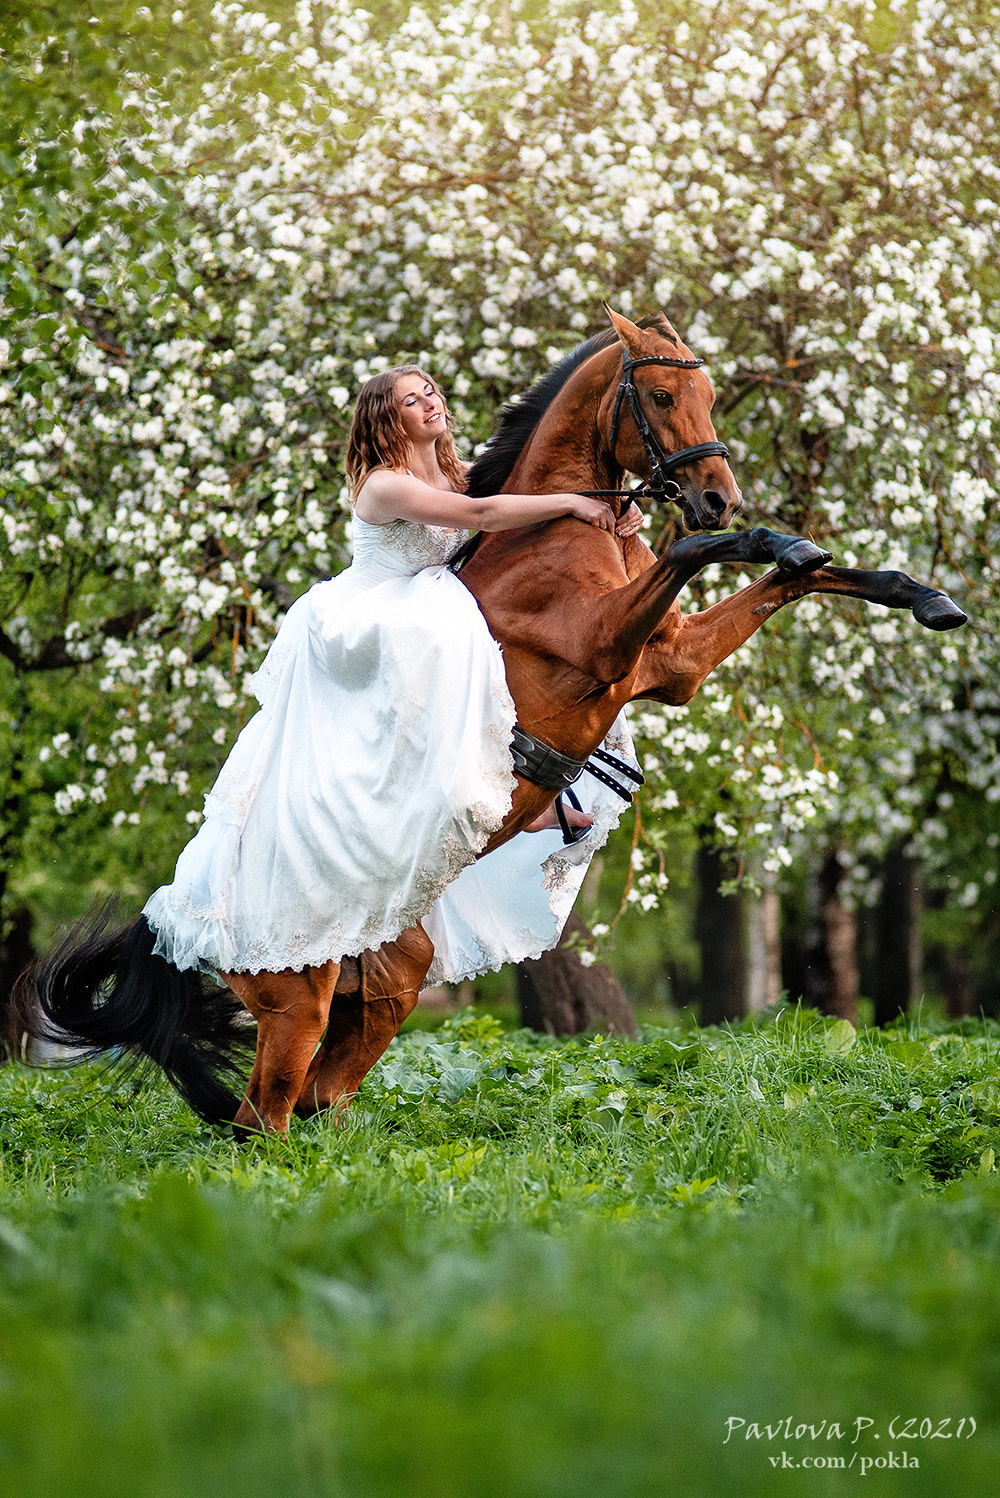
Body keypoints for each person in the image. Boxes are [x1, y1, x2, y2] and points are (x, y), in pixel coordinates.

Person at [142, 365, 642, 986]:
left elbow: (507, 519)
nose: (430, 402)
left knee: (498, 628)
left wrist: (607, 517)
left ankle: (525, 787)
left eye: (431, 390)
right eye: (412, 400)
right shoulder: (384, 484)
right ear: (389, 418)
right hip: (375, 613)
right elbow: (483, 513)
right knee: (446, 632)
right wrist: (573, 502)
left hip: (428, 599)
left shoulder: (451, 470)